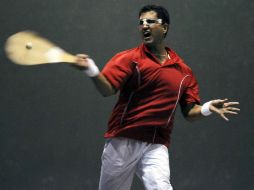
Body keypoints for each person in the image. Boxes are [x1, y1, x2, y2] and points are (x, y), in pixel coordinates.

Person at [72, 4, 240, 190]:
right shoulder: (128, 59)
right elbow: (107, 89)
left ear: (165, 27)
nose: (144, 26)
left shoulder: (184, 72)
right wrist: (91, 70)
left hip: (156, 144)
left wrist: (207, 108)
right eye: (141, 22)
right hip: (122, 140)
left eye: (151, 21)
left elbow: (190, 111)